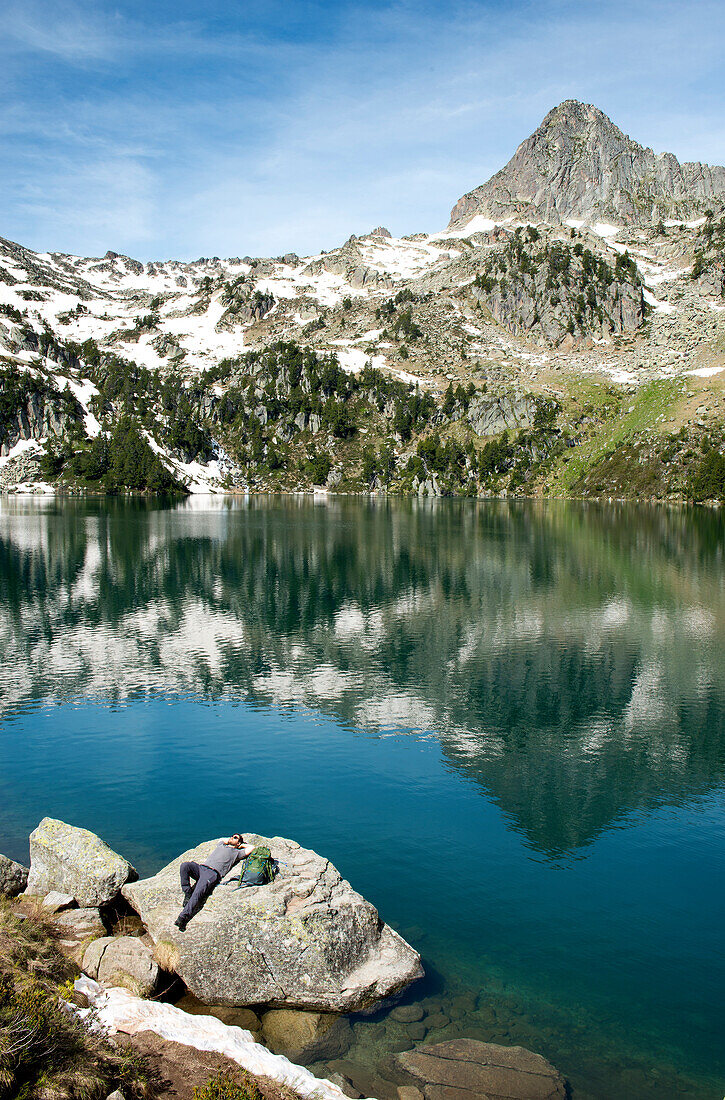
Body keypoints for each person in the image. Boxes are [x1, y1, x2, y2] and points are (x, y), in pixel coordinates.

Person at [175, 834, 254, 931]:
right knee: (185, 865)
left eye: (235, 838)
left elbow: (251, 848)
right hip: (201, 868)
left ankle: (182, 917)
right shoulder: (221, 845)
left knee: (197, 893)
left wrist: (241, 845)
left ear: (238, 843)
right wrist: (232, 841)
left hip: (212, 873)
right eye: (232, 836)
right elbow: (221, 839)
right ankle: (187, 892)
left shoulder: (237, 853)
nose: (232, 837)